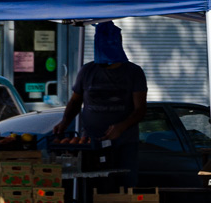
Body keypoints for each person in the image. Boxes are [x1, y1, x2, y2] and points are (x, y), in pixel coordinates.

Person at [55, 22, 148, 187]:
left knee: (125, 186)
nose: (105, 63)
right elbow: (75, 101)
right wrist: (64, 123)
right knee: (93, 186)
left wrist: (121, 126)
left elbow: (140, 109)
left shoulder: (134, 72)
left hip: (124, 143)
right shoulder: (87, 70)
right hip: (91, 143)